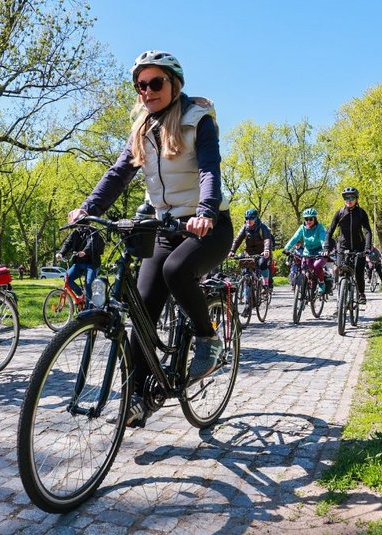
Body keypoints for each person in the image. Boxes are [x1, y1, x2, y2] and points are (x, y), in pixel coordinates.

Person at [67, 50, 233, 427]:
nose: (147, 91)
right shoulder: (142, 128)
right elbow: (117, 174)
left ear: (174, 83)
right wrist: (88, 208)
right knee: (142, 309)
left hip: (210, 226)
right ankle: (137, 397)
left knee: (177, 272)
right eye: (140, 85)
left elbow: (209, 169)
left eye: (155, 83)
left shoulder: (197, 120)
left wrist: (206, 210)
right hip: (166, 226)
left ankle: (208, 340)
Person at [326, 186, 372, 304]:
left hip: (359, 247)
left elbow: (367, 231)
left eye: (352, 197)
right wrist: (326, 247)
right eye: (346, 197)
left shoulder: (361, 213)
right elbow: (330, 231)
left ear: (356, 199)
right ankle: (340, 292)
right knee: (340, 269)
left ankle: (361, 294)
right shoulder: (340, 213)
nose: (349, 200)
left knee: (358, 271)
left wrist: (367, 248)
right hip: (343, 247)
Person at [283, 208, 328, 294]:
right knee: (305, 267)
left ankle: (322, 283)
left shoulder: (320, 227)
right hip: (308, 252)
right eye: (306, 219)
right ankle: (308, 284)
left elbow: (323, 239)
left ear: (315, 219)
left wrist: (325, 249)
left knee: (317, 265)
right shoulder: (302, 228)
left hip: (320, 251)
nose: (308, 221)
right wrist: (286, 248)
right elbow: (295, 238)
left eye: (311, 219)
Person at [56, 225, 104, 303]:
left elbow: (91, 243)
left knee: (89, 284)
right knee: (67, 278)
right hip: (79, 263)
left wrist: (85, 251)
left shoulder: (93, 231)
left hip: (92, 264)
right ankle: (80, 295)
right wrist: (61, 253)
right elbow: (67, 243)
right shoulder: (75, 232)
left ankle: (89, 307)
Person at [228, 207, 273, 289]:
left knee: (262, 264)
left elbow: (267, 239)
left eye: (251, 218)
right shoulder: (245, 227)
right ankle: (246, 295)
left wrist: (266, 250)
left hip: (261, 253)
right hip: (249, 253)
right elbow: (237, 240)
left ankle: (265, 285)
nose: (249, 220)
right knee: (245, 271)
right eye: (247, 218)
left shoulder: (263, 227)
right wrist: (232, 250)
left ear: (256, 218)